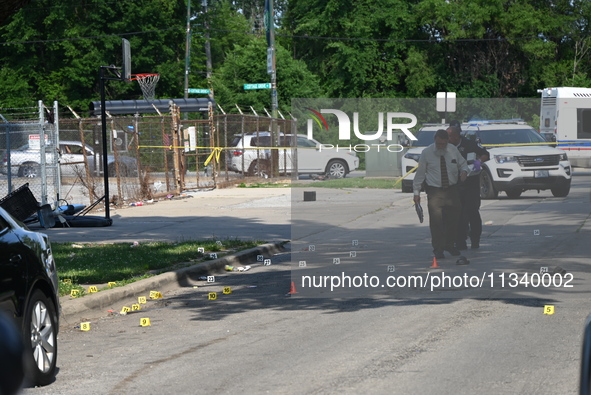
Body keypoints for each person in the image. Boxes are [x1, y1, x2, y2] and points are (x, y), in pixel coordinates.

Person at [413, 129, 469, 259]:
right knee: (436, 220)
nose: (441, 147)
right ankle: (438, 248)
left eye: (444, 144)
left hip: (452, 190)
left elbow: (463, 163)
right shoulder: (426, 153)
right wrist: (416, 193)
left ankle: (449, 244)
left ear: (447, 142)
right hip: (435, 191)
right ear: (435, 141)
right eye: (439, 144)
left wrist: (464, 171)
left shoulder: (453, 150)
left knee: (454, 219)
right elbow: (420, 174)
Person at [447, 123, 489, 250]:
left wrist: (478, 162)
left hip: (471, 183)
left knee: (472, 211)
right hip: (455, 183)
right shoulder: (446, 147)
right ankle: (460, 241)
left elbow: (485, 154)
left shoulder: (470, 144)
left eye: (449, 137)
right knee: (458, 213)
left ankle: (475, 239)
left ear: (455, 137)